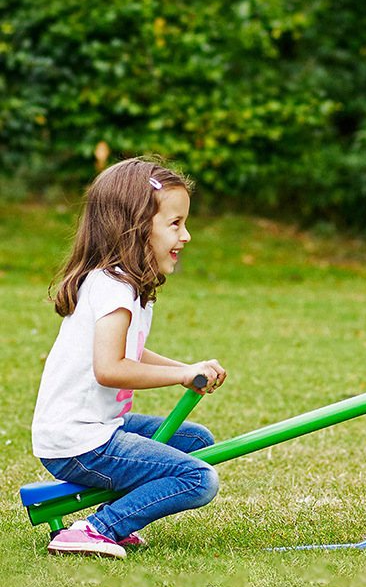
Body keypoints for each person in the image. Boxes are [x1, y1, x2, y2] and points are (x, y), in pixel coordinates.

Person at [31, 157, 227, 558]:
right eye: (175, 224)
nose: (185, 235)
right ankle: (99, 528)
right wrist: (181, 376)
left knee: (196, 440)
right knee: (199, 478)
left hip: (96, 427)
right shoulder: (113, 288)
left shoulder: (127, 286)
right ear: (136, 229)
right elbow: (111, 369)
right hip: (79, 440)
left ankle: (114, 516)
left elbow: (129, 353)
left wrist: (186, 369)